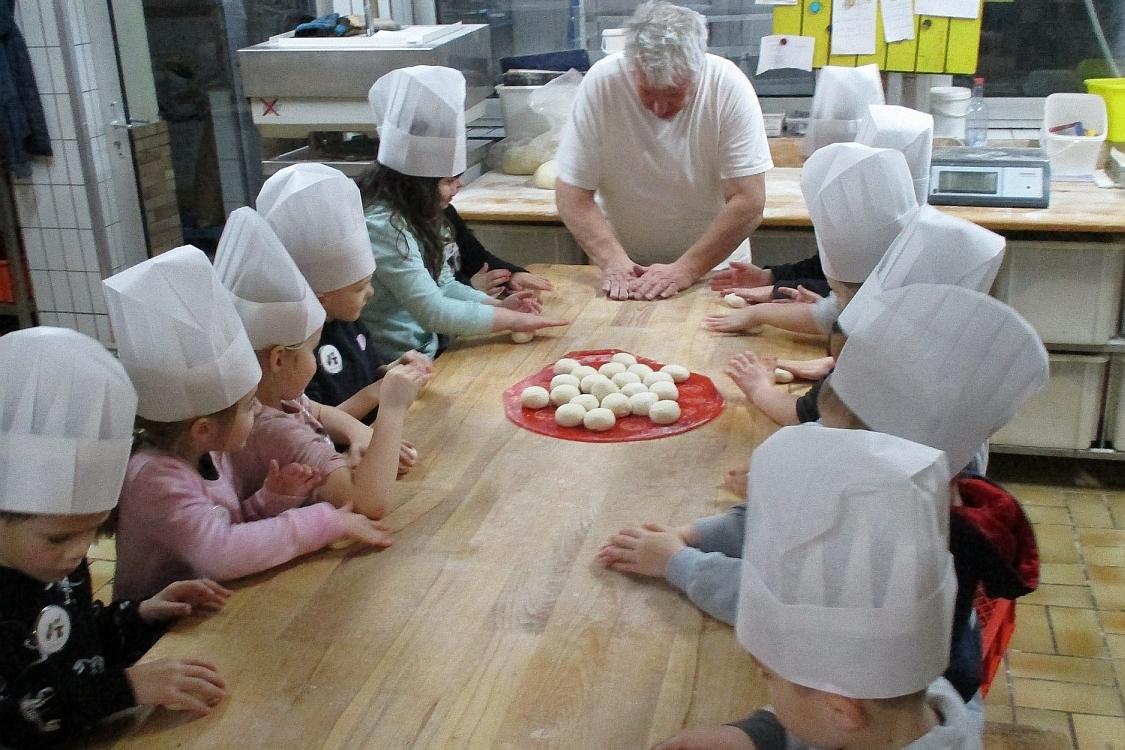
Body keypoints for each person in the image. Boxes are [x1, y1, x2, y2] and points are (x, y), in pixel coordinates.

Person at [599, 284, 1048, 702]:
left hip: (882, 700)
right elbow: (793, 517)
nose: (814, 440)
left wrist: (679, 563)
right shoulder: (912, 481)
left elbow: (776, 605)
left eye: (826, 434)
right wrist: (694, 532)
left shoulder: (893, 534)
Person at [653, 426, 982, 750]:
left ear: (840, 710)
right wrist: (758, 734)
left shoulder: (861, 708)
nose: (765, 682)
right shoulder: (922, 693)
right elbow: (831, 712)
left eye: (769, 676)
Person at [104, 246, 393, 601]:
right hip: (156, 636)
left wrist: (270, 500)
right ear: (203, 427)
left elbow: (223, 522)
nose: (257, 412)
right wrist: (325, 522)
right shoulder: (156, 477)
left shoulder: (207, 451)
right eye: (247, 407)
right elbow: (220, 552)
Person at [0, 327, 230, 747]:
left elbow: (76, 645)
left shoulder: (56, 564)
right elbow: (17, 719)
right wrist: (125, 689)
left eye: (94, 530)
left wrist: (139, 615)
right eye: (58, 539)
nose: (80, 551)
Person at [215, 207, 426, 520]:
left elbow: (315, 410)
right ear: (278, 359)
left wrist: (359, 433)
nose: (314, 360)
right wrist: (392, 409)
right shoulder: (274, 430)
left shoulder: (271, 399)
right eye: (312, 351)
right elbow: (367, 502)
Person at [554, 0, 772, 301]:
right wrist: (614, 261)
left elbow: (749, 201)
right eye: (646, 93)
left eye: (672, 94)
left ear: (698, 72)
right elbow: (572, 193)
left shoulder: (727, 86)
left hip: (713, 273)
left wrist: (687, 268)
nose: (659, 108)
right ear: (633, 69)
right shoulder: (603, 83)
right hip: (624, 274)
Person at [359, 65, 567, 359]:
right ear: (413, 184)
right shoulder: (382, 227)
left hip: (430, 351)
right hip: (395, 361)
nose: (459, 186)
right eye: (448, 180)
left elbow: (444, 286)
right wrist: (511, 321)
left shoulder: (428, 213)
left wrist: (496, 306)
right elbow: (433, 310)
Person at [705, 142, 919, 426]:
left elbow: (803, 414)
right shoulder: (901, 283)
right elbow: (828, 312)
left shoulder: (867, 338)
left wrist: (759, 388)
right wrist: (829, 368)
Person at [256, 162, 435, 426]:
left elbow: (364, 375)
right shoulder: (300, 350)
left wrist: (393, 371)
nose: (371, 293)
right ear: (321, 298)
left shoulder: (349, 323)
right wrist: (380, 391)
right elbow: (315, 423)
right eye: (360, 288)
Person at [711, 103, 933, 305]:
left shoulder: (918, 244)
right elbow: (834, 266)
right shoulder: (869, 211)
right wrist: (771, 276)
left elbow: (856, 296)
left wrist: (776, 291)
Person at [444, 204, 552, 296]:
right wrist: (470, 287)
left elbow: (477, 258)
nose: (460, 184)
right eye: (448, 182)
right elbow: (433, 298)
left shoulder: (446, 212)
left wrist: (510, 276)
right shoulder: (427, 233)